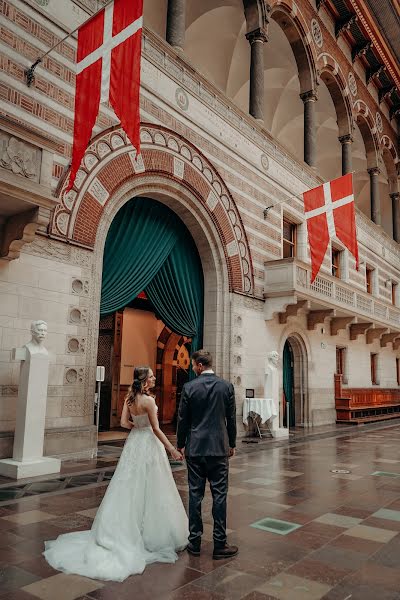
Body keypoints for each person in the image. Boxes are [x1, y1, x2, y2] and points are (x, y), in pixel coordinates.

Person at [43, 366, 189, 582]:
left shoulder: (129, 399)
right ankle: (153, 534)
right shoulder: (148, 401)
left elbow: (122, 423)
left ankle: (122, 529)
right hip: (149, 443)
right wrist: (173, 450)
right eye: (151, 376)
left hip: (134, 443)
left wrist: (137, 428)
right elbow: (157, 429)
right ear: (145, 380)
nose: (154, 377)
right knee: (154, 486)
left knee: (128, 486)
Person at [177, 349, 238, 560]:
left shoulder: (189, 387)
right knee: (220, 495)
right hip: (219, 448)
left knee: (195, 494)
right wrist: (232, 443)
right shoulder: (226, 386)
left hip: (195, 448)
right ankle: (219, 544)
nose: (193, 368)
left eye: (194, 365)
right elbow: (231, 418)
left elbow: (183, 419)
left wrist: (181, 444)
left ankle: (194, 542)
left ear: (200, 365)